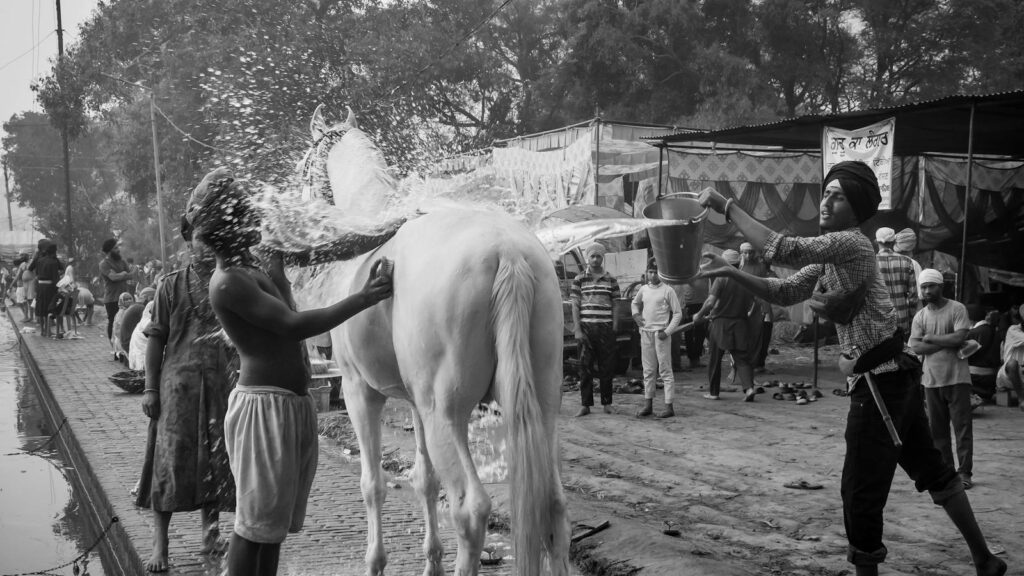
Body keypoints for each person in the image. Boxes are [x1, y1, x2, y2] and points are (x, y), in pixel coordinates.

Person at [696, 160, 1006, 576]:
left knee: (859, 491)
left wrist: (727, 206)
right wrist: (732, 271)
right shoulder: (831, 257)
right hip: (898, 374)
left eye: (836, 195)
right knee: (932, 468)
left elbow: (783, 249)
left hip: (879, 382)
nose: (825, 201)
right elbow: (785, 291)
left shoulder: (852, 245)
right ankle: (984, 559)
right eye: (826, 192)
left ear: (856, 207)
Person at [189, 167, 393, 576]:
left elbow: (334, 249)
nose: (256, 219)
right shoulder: (227, 282)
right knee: (253, 526)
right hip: (264, 410)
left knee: (272, 528)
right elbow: (292, 325)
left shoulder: (263, 256)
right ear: (226, 227)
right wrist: (364, 298)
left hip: (292, 406)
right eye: (246, 215)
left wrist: (388, 230)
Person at [137, 215, 236, 573]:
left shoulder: (229, 284)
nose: (206, 245)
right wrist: (150, 389)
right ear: (188, 242)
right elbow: (156, 340)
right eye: (199, 239)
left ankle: (211, 535)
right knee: (169, 462)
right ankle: (159, 543)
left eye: (213, 239)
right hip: (176, 387)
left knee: (214, 458)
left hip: (219, 384)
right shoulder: (169, 286)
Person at [910, 269, 975, 489]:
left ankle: (964, 472)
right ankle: (947, 471)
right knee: (937, 431)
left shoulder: (957, 309)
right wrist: (946, 342)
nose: (927, 291)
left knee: (962, 428)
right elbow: (915, 346)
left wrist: (931, 339)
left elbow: (960, 336)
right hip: (931, 380)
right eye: (924, 287)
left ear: (941, 286)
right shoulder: (920, 316)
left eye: (931, 286)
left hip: (957, 378)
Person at [691, 249, 760, 402]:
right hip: (740, 322)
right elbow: (756, 301)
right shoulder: (746, 279)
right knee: (742, 358)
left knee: (715, 358)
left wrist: (699, 315)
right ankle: (749, 388)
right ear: (738, 263)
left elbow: (710, 302)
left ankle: (714, 392)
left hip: (721, 323)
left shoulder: (722, 279)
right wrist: (748, 313)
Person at [571, 241, 621, 417]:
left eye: (599, 256)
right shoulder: (579, 279)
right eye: (592, 256)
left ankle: (607, 403)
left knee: (607, 367)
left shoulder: (611, 280)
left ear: (603, 258)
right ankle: (585, 405)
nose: (595, 259)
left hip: (605, 328)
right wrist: (577, 329)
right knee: (585, 368)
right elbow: (575, 305)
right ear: (587, 258)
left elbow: (616, 304)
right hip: (586, 329)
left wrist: (614, 325)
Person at [631, 261, 682, 418]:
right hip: (646, 333)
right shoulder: (644, 289)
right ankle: (648, 405)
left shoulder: (668, 290)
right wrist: (637, 316)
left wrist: (667, 332)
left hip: (660, 335)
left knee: (665, 370)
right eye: (650, 272)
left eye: (656, 272)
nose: (652, 275)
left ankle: (669, 406)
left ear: (662, 273)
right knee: (648, 371)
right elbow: (634, 303)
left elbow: (678, 313)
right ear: (647, 272)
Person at [875, 227, 918, 337]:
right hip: (902, 321)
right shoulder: (906, 261)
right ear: (894, 241)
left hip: (878, 322)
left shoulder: (871, 263)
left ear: (876, 241)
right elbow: (913, 297)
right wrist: (911, 319)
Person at [740, 241, 776, 372]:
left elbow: (768, 284)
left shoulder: (761, 267)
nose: (748, 255)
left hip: (761, 304)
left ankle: (759, 363)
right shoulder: (739, 267)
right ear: (741, 253)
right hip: (746, 305)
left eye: (750, 252)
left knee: (763, 334)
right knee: (748, 336)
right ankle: (748, 363)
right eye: (745, 253)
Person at [99, 238, 131, 351]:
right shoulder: (104, 264)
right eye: (115, 248)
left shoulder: (122, 261)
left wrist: (121, 275)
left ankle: (124, 347)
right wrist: (123, 274)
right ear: (109, 251)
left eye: (118, 247)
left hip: (125, 297)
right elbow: (113, 277)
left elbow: (131, 274)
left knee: (126, 321)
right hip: (112, 298)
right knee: (113, 322)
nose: (118, 250)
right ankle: (114, 347)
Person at [966, 306, 1001, 403]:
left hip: (976, 378)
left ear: (969, 319)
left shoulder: (973, 333)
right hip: (993, 378)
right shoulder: (996, 331)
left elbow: (961, 355)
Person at [30, 241, 63, 338]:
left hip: (40, 287)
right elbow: (55, 277)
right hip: (49, 288)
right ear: (54, 252)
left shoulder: (40, 260)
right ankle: (48, 331)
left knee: (41, 308)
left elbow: (35, 271)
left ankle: (43, 331)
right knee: (49, 308)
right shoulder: (53, 262)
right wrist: (58, 288)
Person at [679, 277, 709, 370]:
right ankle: (692, 359)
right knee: (689, 332)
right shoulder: (686, 268)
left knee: (701, 331)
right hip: (689, 303)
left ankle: (697, 358)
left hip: (703, 303)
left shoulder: (705, 266)